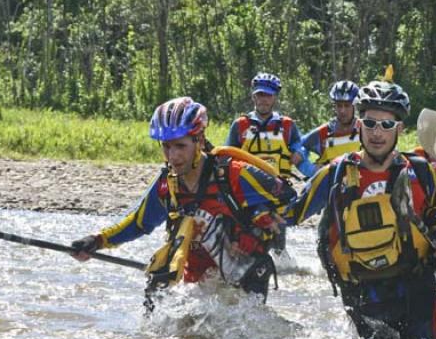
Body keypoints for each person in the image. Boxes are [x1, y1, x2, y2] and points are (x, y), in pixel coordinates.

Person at [71, 97, 296, 312]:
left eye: (180, 146)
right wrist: (96, 241)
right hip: (198, 278)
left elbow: (288, 199)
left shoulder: (233, 174)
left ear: (198, 141)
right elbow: (138, 223)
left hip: (245, 272)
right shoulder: (166, 185)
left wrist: (259, 224)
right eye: (166, 147)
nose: (173, 156)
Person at [285, 80, 436, 339]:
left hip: (416, 290)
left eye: (386, 125)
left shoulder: (421, 172)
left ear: (400, 129)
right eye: (370, 123)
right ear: (359, 125)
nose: (377, 133)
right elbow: (290, 213)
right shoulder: (335, 174)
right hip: (363, 293)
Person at [225, 72, 316, 179]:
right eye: (260, 94)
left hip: (279, 186)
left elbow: (301, 144)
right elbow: (227, 155)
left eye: (268, 95)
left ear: (275, 98)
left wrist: (299, 153)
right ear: (253, 97)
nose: (264, 99)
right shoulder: (239, 125)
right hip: (247, 186)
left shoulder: (287, 124)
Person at [300, 80, 361, 170]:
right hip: (328, 182)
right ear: (334, 106)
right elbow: (298, 145)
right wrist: (310, 169)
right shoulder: (324, 132)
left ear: (354, 106)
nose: (342, 111)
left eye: (347, 105)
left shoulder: (365, 129)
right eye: (339, 106)